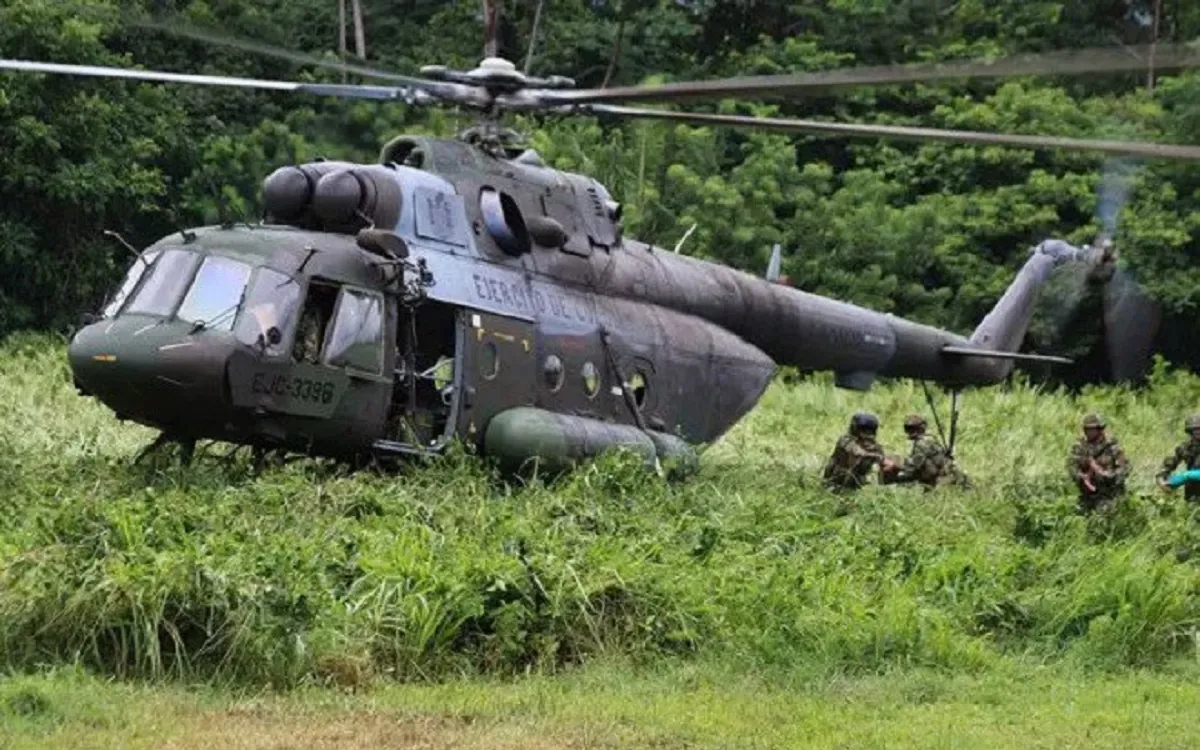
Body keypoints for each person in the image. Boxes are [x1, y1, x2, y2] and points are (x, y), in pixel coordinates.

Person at [885, 413, 969, 489]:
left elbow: (912, 467)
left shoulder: (921, 444)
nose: (910, 432)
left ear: (921, 428)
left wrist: (894, 466)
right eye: (908, 428)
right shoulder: (931, 437)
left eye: (913, 428)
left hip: (941, 480)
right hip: (951, 474)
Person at [1066, 413, 1129, 513]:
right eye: (1086, 429)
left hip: (1109, 495)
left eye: (1091, 429)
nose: (1088, 432)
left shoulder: (1112, 446)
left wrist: (1107, 476)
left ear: (1100, 429)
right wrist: (1082, 477)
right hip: (1087, 495)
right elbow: (1071, 465)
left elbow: (1125, 469)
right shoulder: (1080, 446)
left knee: (1106, 514)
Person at [822, 411, 895, 491]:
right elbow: (855, 451)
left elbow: (884, 463)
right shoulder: (845, 440)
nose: (868, 435)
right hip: (834, 481)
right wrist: (877, 456)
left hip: (855, 484)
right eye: (865, 432)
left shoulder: (875, 447)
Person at [1157, 413, 1200, 502]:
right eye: (1194, 429)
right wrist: (1162, 478)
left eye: (1199, 429)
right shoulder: (1185, 447)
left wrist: (1187, 476)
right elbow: (1170, 462)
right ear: (1190, 431)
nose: (1197, 432)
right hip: (1192, 491)